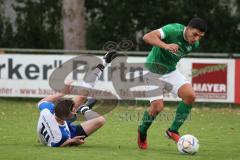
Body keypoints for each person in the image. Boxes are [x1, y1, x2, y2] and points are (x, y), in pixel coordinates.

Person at [138, 18, 207, 149]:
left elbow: (173, 57)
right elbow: (147, 37)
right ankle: (142, 131)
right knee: (157, 108)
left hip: (170, 71)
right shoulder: (172, 29)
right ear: (188, 28)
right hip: (152, 70)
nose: (197, 38)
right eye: (195, 34)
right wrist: (166, 45)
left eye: (200, 36)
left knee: (190, 96)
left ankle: (172, 130)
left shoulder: (194, 45)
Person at [37, 50, 118, 147]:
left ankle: (104, 61)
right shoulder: (61, 136)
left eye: (74, 109)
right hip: (67, 134)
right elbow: (57, 145)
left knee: (83, 94)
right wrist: (72, 141)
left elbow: (42, 102)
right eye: (73, 111)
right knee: (100, 120)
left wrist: (62, 93)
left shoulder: (47, 111)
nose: (74, 112)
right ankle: (84, 108)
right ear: (65, 118)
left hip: (58, 124)